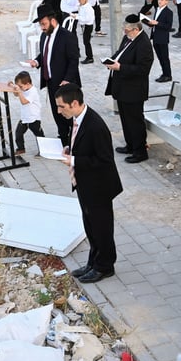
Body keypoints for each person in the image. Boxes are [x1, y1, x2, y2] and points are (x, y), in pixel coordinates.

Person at [56, 84, 124, 284]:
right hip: (85, 184)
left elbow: (104, 160)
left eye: (61, 107)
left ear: (74, 103)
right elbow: (82, 143)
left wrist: (74, 161)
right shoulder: (78, 118)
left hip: (99, 187)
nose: (59, 111)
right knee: (90, 225)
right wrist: (71, 149)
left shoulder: (95, 125)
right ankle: (93, 261)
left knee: (101, 227)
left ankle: (105, 266)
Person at [27, 4, 81, 147]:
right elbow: (45, 54)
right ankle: (63, 139)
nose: (42, 28)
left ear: (52, 20)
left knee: (70, 115)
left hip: (66, 85)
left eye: (44, 24)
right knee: (57, 113)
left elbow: (73, 60)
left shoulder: (67, 37)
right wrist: (36, 62)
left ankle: (75, 141)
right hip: (51, 83)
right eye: (40, 25)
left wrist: (67, 80)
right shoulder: (44, 36)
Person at [105, 14, 153, 163]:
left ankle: (140, 152)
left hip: (134, 90)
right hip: (122, 88)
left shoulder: (144, 44)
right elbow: (120, 53)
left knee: (135, 121)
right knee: (125, 119)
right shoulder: (128, 38)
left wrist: (120, 67)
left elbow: (142, 69)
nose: (124, 33)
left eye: (127, 30)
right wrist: (111, 61)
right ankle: (130, 145)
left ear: (136, 29)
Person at [10, 71, 43, 155]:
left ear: (28, 84)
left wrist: (20, 92)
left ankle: (43, 150)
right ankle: (21, 148)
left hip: (33, 118)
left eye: (21, 86)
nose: (20, 88)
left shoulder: (33, 92)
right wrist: (14, 88)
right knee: (18, 133)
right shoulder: (24, 88)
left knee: (39, 135)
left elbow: (24, 101)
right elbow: (16, 95)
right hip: (25, 117)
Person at [145, 0, 174, 82]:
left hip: (162, 38)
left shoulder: (168, 12)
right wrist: (151, 24)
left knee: (164, 57)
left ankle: (168, 75)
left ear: (166, 1)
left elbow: (168, 26)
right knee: (160, 57)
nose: (159, 1)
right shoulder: (157, 9)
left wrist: (157, 23)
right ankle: (164, 73)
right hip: (155, 37)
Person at [74, 0, 94, 64]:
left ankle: (90, 57)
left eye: (80, 0)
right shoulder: (82, 6)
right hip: (85, 26)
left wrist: (77, 17)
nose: (79, 2)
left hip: (88, 26)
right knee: (86, 41)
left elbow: (86, 19)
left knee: (86, 42)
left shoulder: (88, 8)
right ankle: (89, 56)